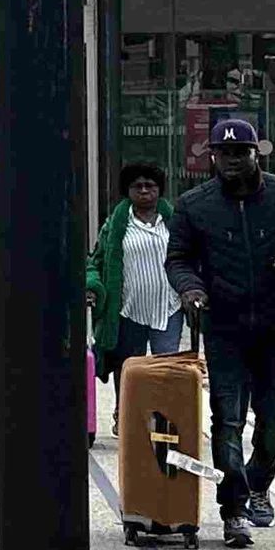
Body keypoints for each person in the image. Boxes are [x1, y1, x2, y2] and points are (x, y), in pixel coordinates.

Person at [165, 116, 275, 549]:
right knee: (227, 419)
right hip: (224, 327)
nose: (232, 160)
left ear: (257, 153)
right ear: (212, 157)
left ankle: (257, 486)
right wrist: (191, 289)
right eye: (224, 153)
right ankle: (233, 509)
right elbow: (178, 259)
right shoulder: (194, 204)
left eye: (241, 152)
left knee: (273, 420)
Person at [85, 161, 183, 437]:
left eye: (150, 186)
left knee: (166, 370)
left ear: (159, 190)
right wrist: (93, 287)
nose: (144, 191)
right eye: (137, 186)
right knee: (128, 369)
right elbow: (96, 261)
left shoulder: (175, 222)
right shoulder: (116, 225)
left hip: (168, 308)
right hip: (128, 310)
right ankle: (125, 415)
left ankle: (163, 421)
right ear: (127, 190)